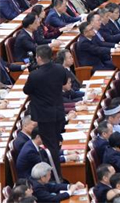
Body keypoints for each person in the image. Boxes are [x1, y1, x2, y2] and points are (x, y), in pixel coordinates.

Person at [23, 46, 68, 177]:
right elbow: (64, 82)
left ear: (38, 58)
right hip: (58, 112)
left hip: (44, 115)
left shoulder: (35, 75)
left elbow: (26, 90)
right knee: (56, 141)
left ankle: (56, 175)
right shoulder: (60, 69)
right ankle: (57, 169)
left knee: (51, 145)